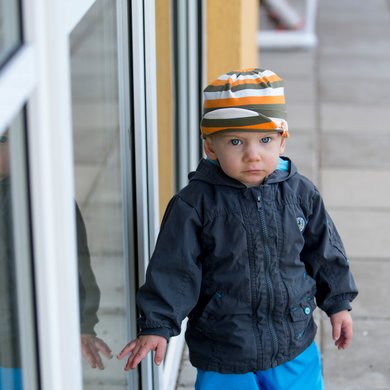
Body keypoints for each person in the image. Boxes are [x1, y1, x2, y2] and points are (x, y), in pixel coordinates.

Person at [118, 68, 358, 389]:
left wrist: (338, 303)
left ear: (282, 141)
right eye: (235, 141)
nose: (253, 154)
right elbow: (174, 270)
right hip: (225, 348)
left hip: (293, 340)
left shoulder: (301, 193)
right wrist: (157, 325)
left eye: (265, 140)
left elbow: (325, 252)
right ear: (211, 148)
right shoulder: (195, 204)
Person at [0, 130, 111, 389]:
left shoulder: (45, 200)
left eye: (4, 138)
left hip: (20, 342)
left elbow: (76, 266)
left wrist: (83, 323)